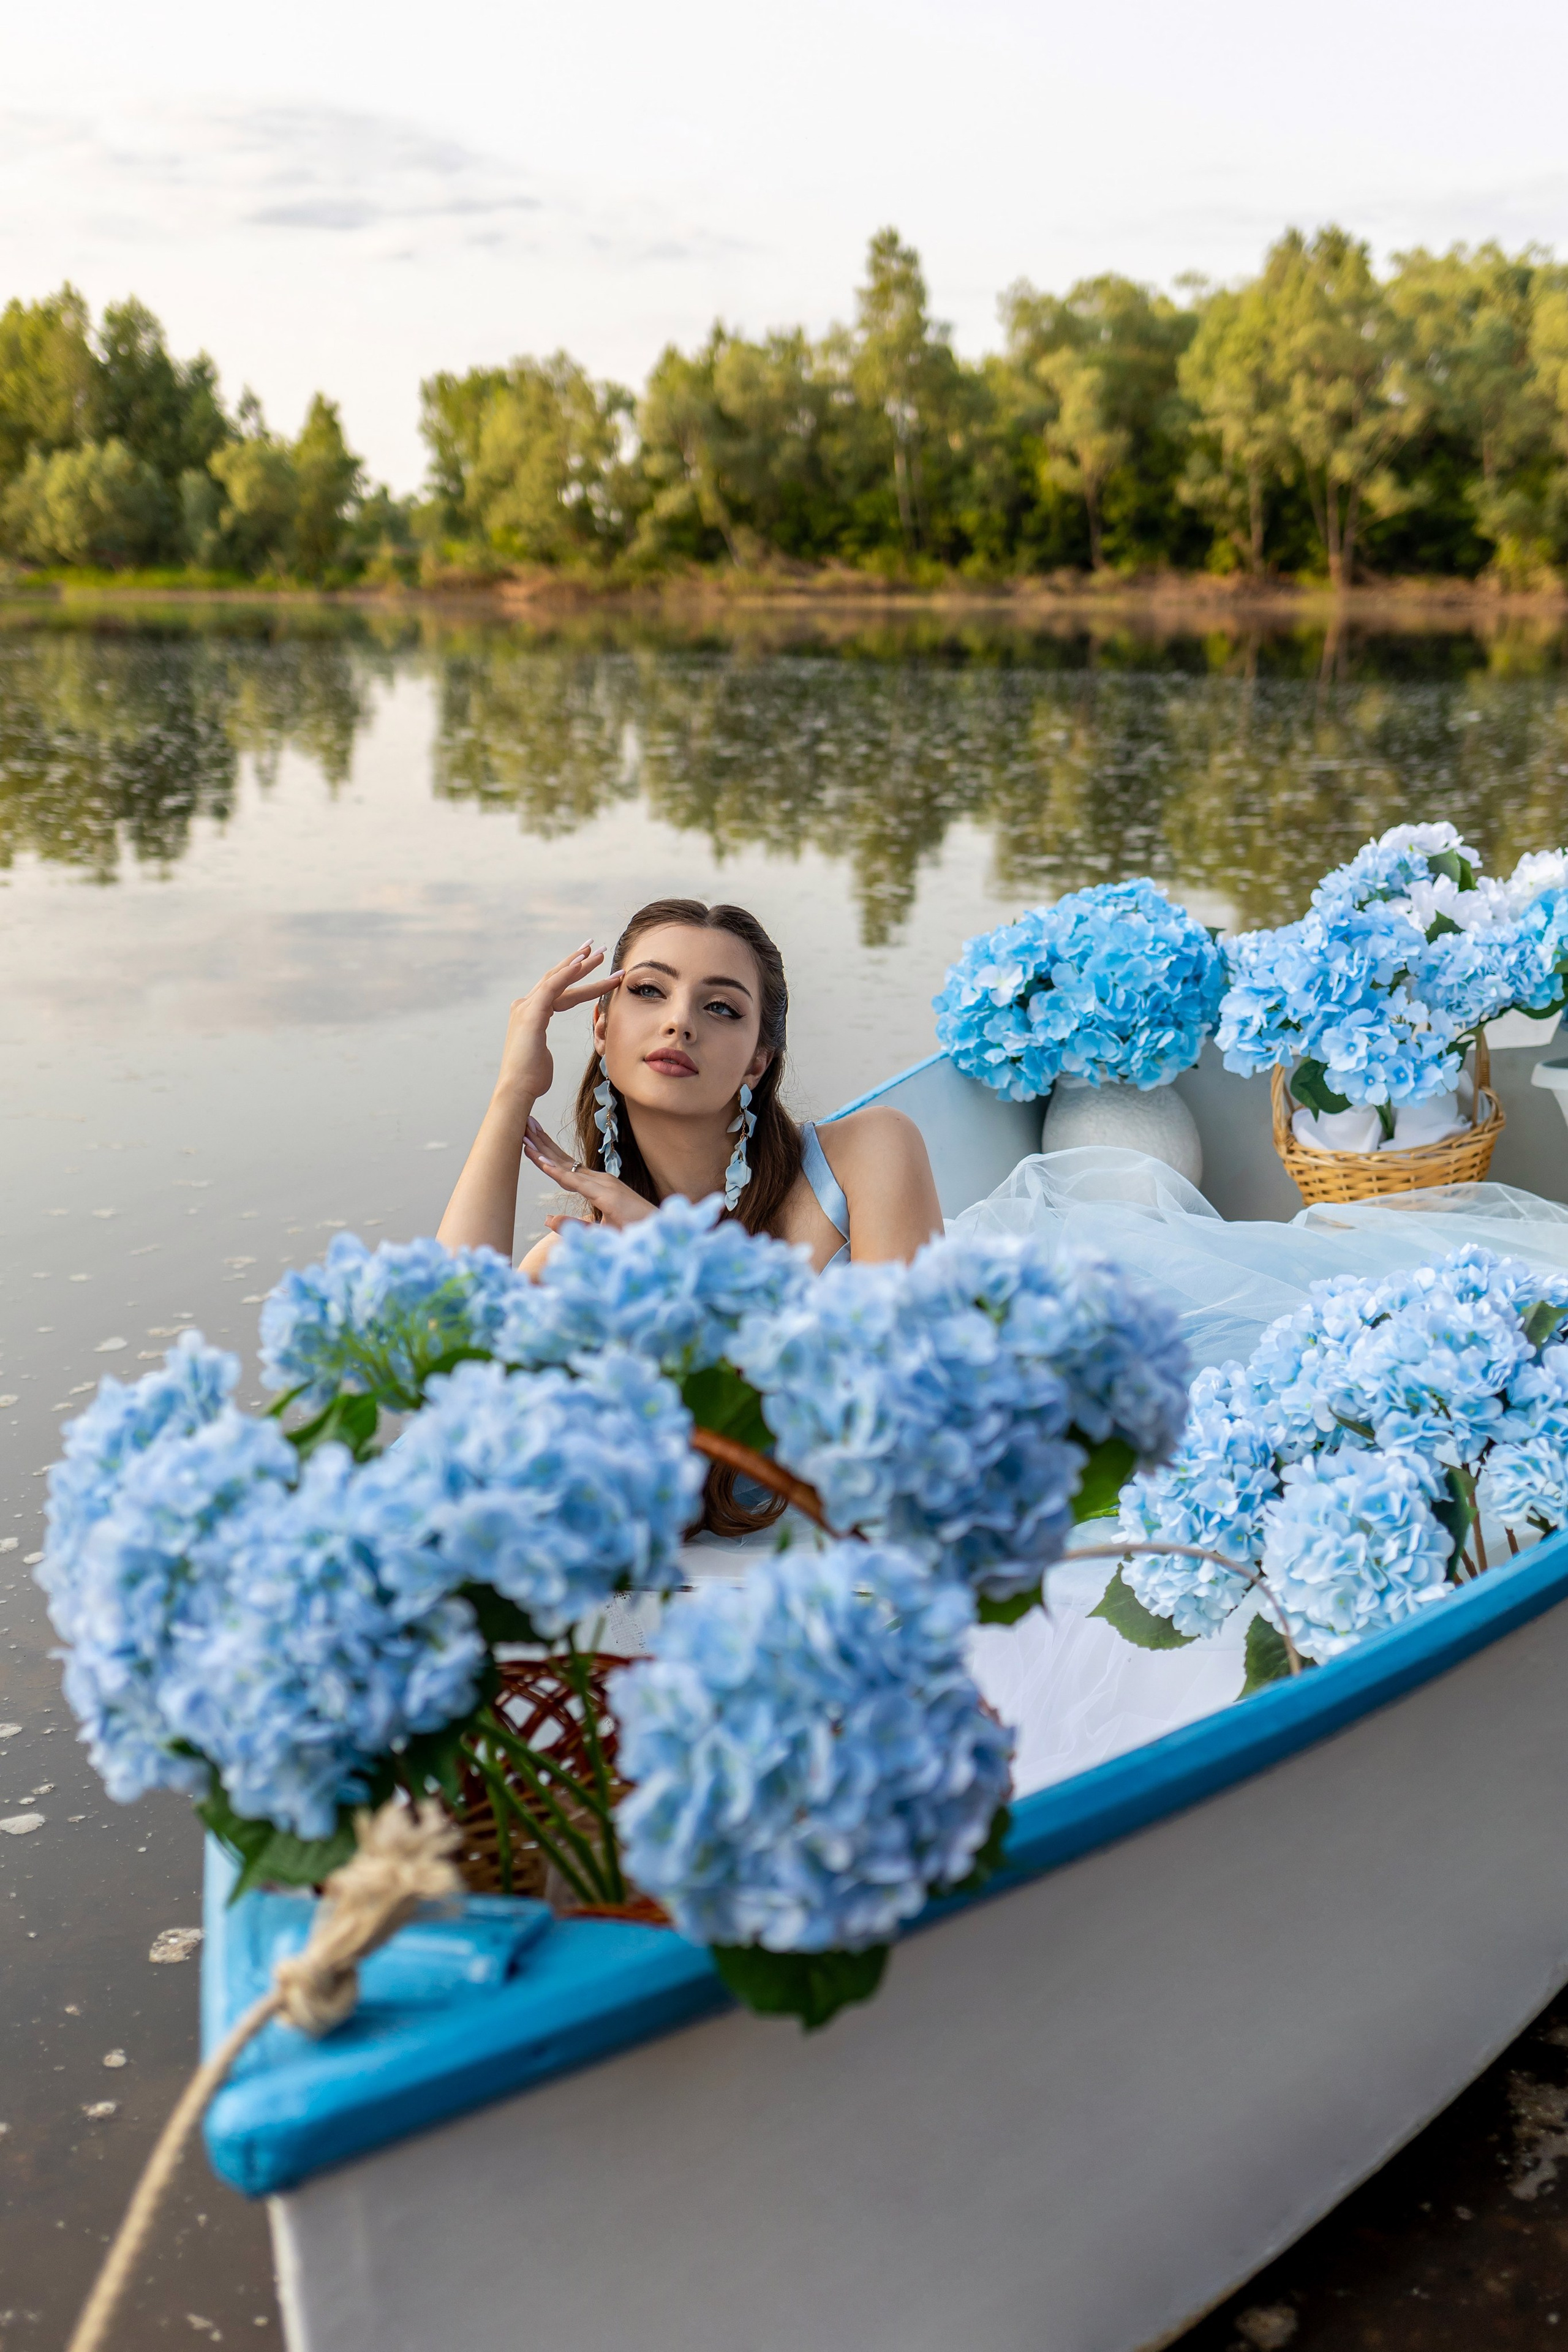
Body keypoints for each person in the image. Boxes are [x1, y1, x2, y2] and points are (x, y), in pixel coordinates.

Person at [437, 897, 943, 1273]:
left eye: (721, 1007)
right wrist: (513, 1090)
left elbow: (907, 1389)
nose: (680, 1022)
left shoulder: (867, 1155)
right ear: (601, 1026)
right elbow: (442, 1338)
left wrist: (676, 1256)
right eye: (649, 990)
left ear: (758, 1062)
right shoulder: (576, 1259)